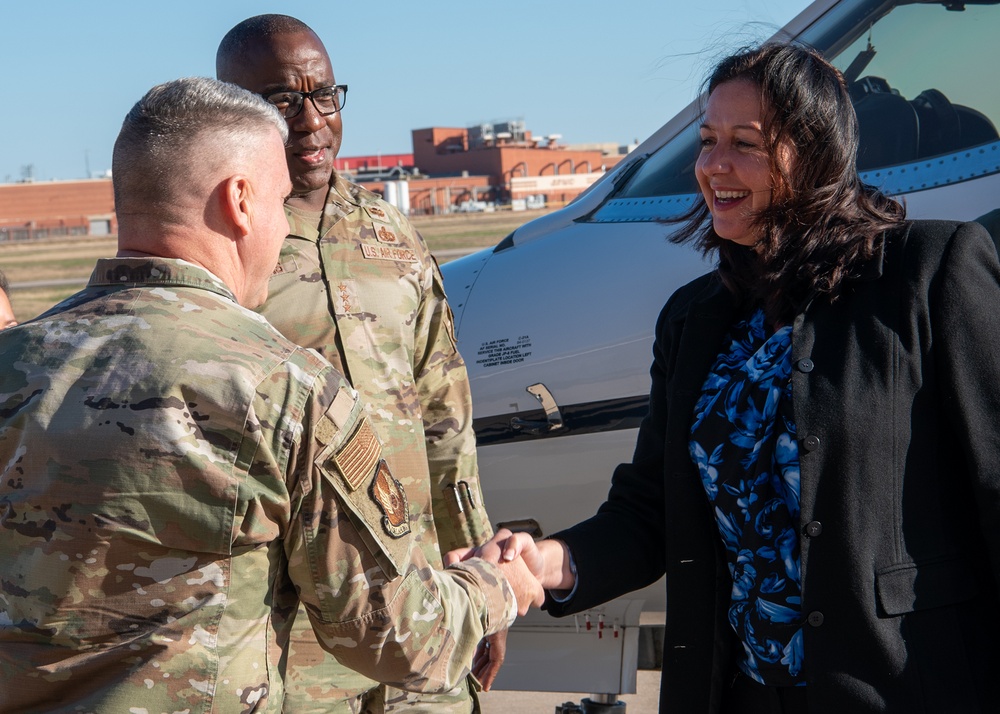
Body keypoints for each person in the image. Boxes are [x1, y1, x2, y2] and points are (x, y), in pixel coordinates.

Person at [457, 43, 1000, 713]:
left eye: (747, 143)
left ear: (817, 152)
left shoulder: (929, 272)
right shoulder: (693, 321)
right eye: (708, 140)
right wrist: (543, 565)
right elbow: (649, 515)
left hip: (907, 692)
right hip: (741, 696)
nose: (714, 165)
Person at [0, 77, 541, 714]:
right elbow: (398, 637)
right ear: (240, 201)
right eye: (282, 202)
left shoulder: (15, 361)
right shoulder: (282, 386)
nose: (286, 226)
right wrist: (494, 585)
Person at [216, 15, 503, 714]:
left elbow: (443, 411)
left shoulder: (393, 235)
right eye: (282, 99)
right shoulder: (225, 251)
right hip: (295, 640)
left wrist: (474, 564)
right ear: (233, 110)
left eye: (325, 95)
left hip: (421, 610)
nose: (312, 120)